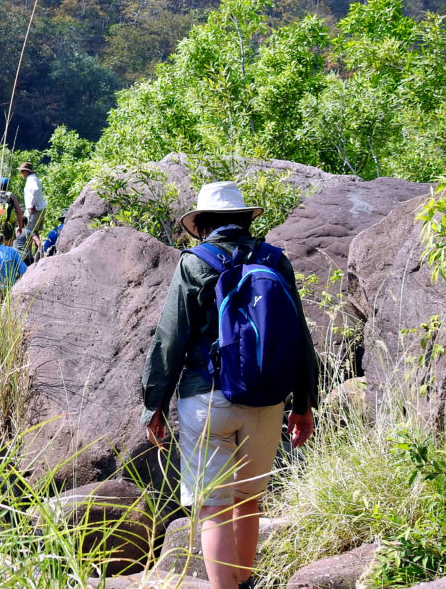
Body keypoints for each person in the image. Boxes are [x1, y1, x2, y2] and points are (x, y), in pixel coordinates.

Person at [141, 181, 319, 589]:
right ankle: (245, 583)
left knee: (214, 507)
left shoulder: (194, 263)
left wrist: (154, 405)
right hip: (265, 397)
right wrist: (304, 404)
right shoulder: (275, 260)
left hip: (206, 399)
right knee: (248, 500)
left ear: (201, 224)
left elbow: (170, 339)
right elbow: (298, 337)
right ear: (243, 219)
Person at [18, 162, 47, 237]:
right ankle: (38, 248)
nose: (21, 173)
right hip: (39, 207)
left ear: (27, 171)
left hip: (35, 209)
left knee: (30, 231)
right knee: (35, 231)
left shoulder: (31, 180)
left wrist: (31, 206)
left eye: (22, 171)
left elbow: (34, 190)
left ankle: (32, 248)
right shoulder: (33, 178)